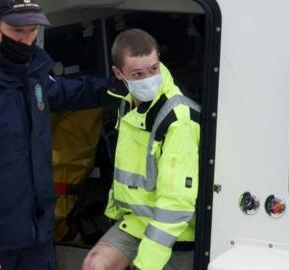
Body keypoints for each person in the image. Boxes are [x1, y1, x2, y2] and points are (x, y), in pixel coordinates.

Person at [0, 0, 112, 269]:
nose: (27, 40)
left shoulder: (32, 74)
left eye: (33, 30)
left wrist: (121, 85)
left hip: (36, 236)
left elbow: (66, 92)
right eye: (18, 31)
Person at [82, 29, 201, 270]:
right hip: (136, 222)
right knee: (95, 265)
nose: (148, 78)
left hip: (178, 233)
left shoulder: (178, 119)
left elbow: (176, 205)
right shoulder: (127, 103)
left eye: (153, 69)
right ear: (119, 73)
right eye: (138, 73)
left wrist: (146, 264)